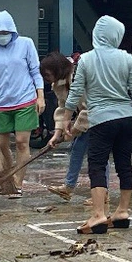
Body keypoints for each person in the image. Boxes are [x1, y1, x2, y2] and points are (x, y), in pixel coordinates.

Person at [65, 16, 132, 234]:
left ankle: (99, 215)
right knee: (123, 163)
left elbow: (75, 92)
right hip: (126, 119)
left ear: (96, 34)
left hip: (101, 120)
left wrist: (66, 119)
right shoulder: (126, 58)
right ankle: (122, 212)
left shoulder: (86, 59)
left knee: (97, 165)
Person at [0, 11, 44, 198]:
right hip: (0, 104)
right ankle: (7, 176)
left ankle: (17, 183)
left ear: (13, 30)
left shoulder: (26, 44)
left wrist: (40, 96)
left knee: (22, 143)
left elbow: (35, 72)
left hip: (25, 100)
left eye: (5, 31)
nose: (2, 35)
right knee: (1, 144)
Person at [40, 52, 90, 205]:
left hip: (96, 117)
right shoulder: (58, 85)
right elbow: (63, 109)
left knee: (97, 157)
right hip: (83, 120)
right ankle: (68, 187)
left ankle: (103, 193)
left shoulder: (77, 78)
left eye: (48, 75)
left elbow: (88, 109)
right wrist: (57, 133)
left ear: (57, 70)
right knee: (77, 150)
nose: (46, 79)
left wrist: (73, 130)